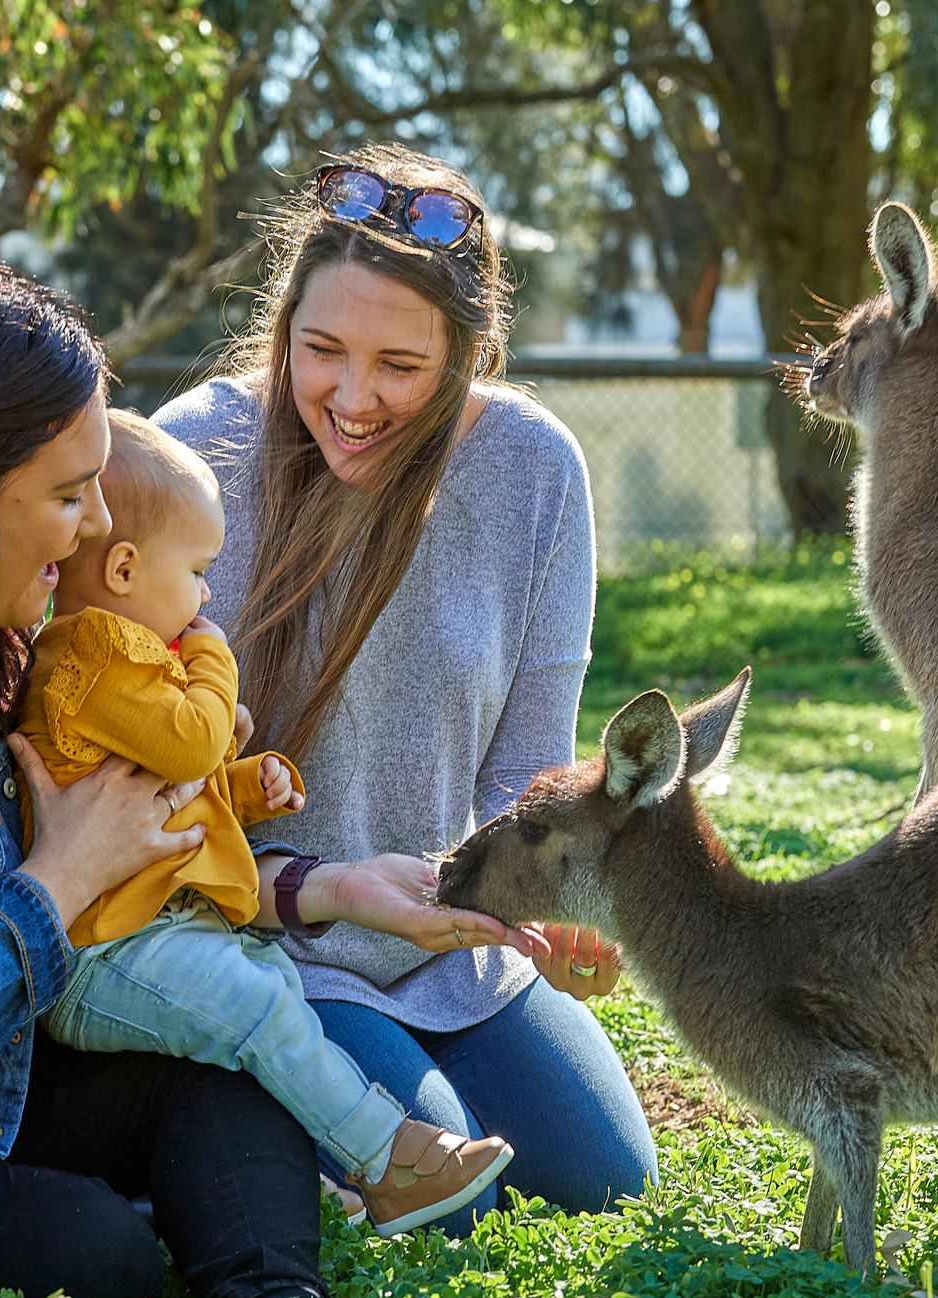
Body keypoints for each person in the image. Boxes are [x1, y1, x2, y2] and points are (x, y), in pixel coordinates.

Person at [0, 257, 481, 1298]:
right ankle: (174, 1242)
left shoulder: (15, 657)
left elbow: (146, 863)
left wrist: (311, 883)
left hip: (5, 1069)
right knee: (103, 1254)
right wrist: (59, 881)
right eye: (63, 492)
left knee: (228, 1061)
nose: (93, 526)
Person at [154, 143, 658, 1232]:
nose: (351, 397)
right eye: (320, 350)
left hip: (453, 938)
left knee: (601, 1183)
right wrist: (321, 887)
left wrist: (540, 898)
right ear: (282, 326)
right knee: (456, 1215)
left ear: (467, 354)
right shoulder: (194, 453)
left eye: (400, 365)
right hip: (273, 938)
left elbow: (530, 756)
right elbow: (144, 793)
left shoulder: (533, 465)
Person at [17, 409, 514, 1236]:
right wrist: (214, 658)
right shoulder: (90, 656)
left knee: (275, 987)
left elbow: (176, 789)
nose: (208, 596)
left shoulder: (130, 664)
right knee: (260, 1007)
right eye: (199, 572)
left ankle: (311, 1176)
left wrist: (245, 788)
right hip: (104, 952)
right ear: (127, 568)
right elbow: (191, 739)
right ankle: (392, 1160)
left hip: (160, 931)